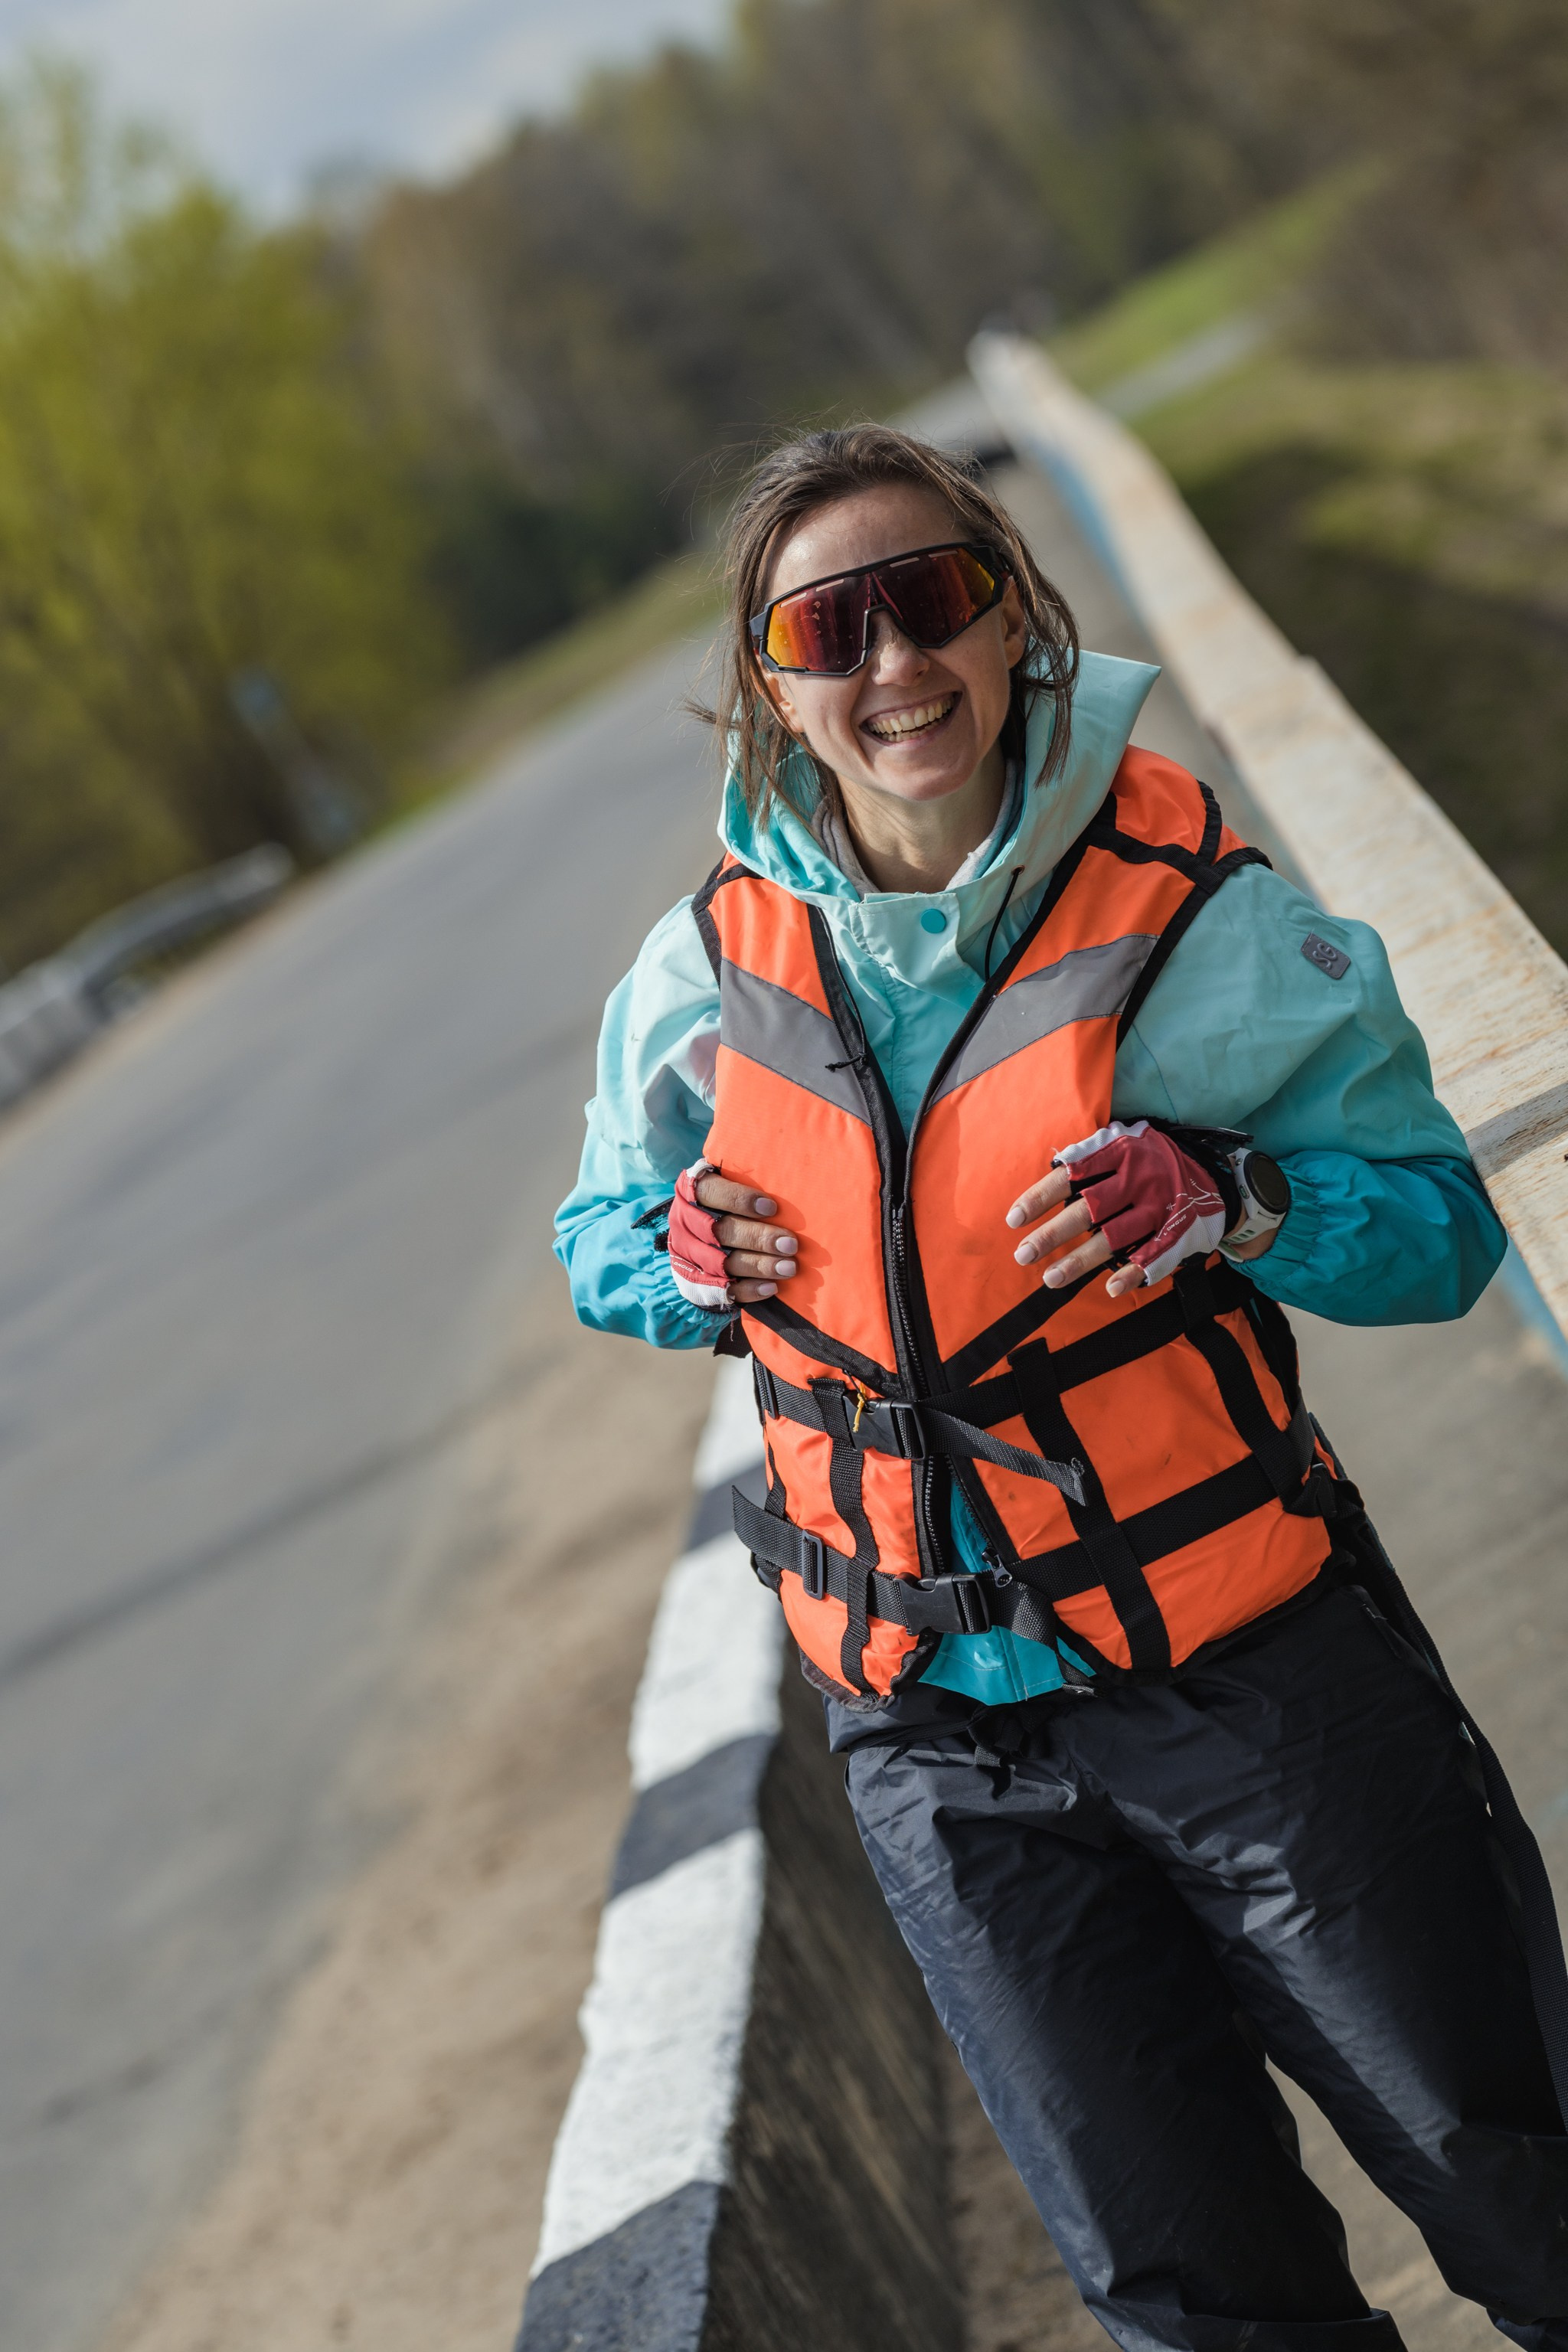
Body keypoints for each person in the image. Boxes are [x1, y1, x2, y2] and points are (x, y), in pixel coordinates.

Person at [555, 423, 1568, 2350]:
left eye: (929, 601)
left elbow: (1435, 1230)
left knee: (1514, 2180)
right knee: (1191, 2300)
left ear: (1014, 614)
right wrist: (669, 1256)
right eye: (825, 629)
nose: (889, 664)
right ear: (770, 687)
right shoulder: (700, 973)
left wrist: (1237, 1195)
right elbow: (594, 1235)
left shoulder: (1196, 909)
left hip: (1259, 1693)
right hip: (937, 1750)